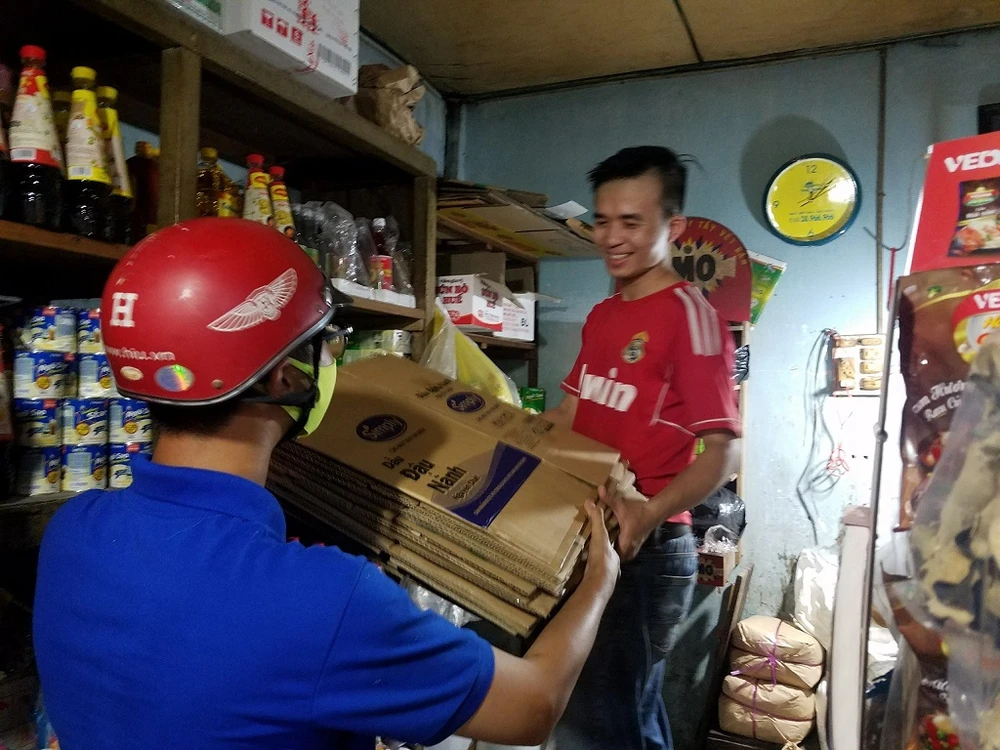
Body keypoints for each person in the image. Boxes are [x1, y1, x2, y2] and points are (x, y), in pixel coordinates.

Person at [32, 218, 621, 749]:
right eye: (323, 345)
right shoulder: (325, 599)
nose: (331, 359)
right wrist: (598, 580)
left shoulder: (74, 529)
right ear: (285, 378)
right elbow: (534, 706)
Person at [545, 146, 742, 750]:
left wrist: (648, 513)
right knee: (628, 715)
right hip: (590, 533)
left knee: (593, 726)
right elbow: (568, 416)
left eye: (631, 222)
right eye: (603, 221)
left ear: (672, 227)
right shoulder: (604, 315)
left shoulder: (691, 316)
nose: (612, 237)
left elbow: (723, 453)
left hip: (647, 550)